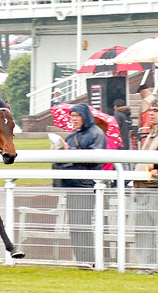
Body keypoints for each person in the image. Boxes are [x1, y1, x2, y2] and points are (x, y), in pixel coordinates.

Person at [56, 103, 105, 266]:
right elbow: (66, 158)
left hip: (86, 186)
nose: (74, 119)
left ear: (85, 116)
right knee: (75, 225)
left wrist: (70, 152)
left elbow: (94, 160)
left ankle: (90, 261)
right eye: (72, 116)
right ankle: (81, 262)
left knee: (83, 224)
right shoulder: (72, 135)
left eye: (77, 116)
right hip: (72, 185)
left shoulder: (96, 133)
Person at [134, 100, 158, 274]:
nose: (151, 113)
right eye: (151, 110)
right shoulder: (151, 134)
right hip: (142, 187)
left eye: (156, 111)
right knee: (143, 230)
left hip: (154, 188)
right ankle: (146, 266)